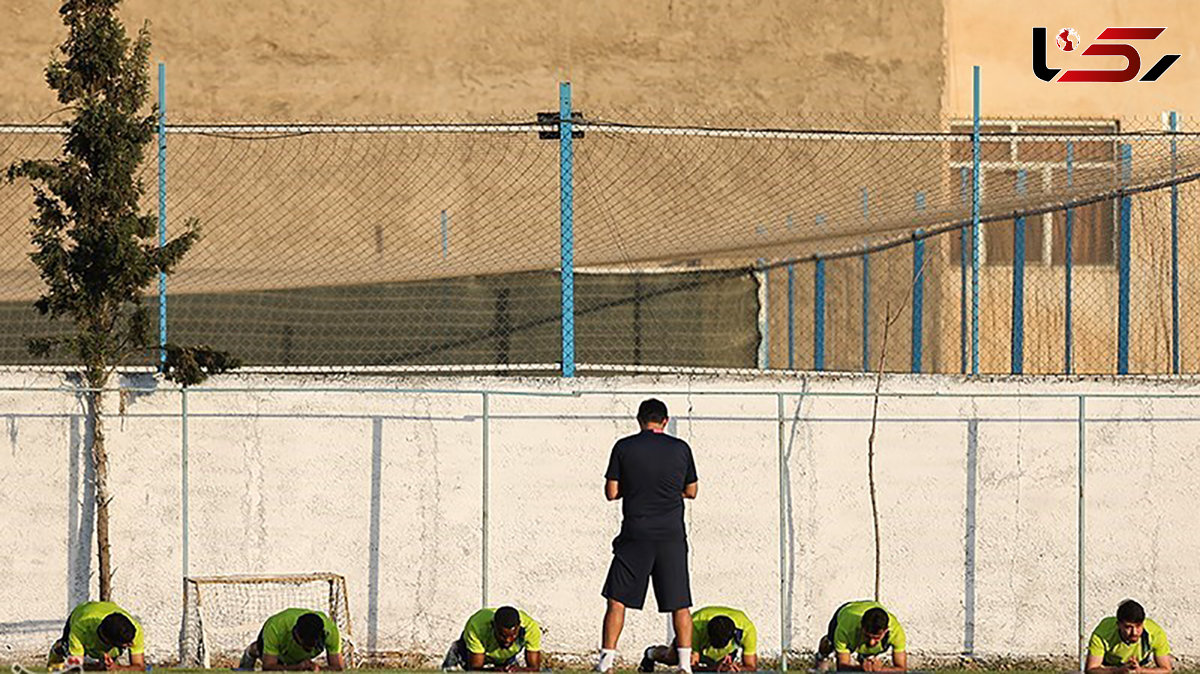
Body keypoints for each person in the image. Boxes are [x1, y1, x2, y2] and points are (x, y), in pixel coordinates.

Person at [597, 398, 699, 674]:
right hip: (671, 536)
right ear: (665, 421)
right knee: (680, 602)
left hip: (635, 534)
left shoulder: (624, 447)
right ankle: (684, 665)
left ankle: (606, 662)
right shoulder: (681, 449)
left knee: (617, 599)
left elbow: (611, 492)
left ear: (639, 420)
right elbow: (691, 491)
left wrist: (636, 489)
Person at [639, 606, 757, 672]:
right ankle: (651, 653)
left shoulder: (747, 630)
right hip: (697, 646)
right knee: (671, 658)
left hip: (719, 655)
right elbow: (690, 667)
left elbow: (751, 666)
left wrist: (738, 669)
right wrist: (715, 668)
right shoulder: (694, 627)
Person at [48, 601, 145, 671]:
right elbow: (76, 668)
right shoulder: (80, 629)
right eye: (126, 644)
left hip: (104, 615)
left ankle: (100, 663)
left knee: (105, 667)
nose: (132, 644)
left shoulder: (135, 631)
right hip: (81, 613)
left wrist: (118, 668)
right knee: (71, 664)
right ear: (108, 641)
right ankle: (58, 651)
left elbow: (139, 667)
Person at [237, 608, 344, 671]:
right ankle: (250, 653)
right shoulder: (275, 628)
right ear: (295, 633)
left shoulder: (331, 632)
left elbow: (338, 668)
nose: (308, 647)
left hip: (293, 655)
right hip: (279, 651)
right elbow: (268, 666)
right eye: (305, 644)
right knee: (258, 650)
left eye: (312, 645)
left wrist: (318, 669)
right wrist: (296, 667)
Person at [441, 606, 542, 671]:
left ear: (519, 626)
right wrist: (494, 671)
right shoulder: (477, 627)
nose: (508, 640)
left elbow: (534, 669)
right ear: (493, 626)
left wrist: (519, 670)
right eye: (503, 636)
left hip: (506, 657)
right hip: (469, 655)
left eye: (513, 636)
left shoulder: (531, 629)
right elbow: (475, 669)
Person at [815, 600, 907, 672]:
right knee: (830, 643)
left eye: (876, 638)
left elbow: (902, 669)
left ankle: (863, 657)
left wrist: (880, 670)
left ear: (886, 631)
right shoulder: (845, 628)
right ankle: (821, 656)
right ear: (861, 627)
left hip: (868, 613)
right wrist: (861, 669)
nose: (871, 642)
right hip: (846, 612)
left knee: (869, 650)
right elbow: (842, 668)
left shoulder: (896, 632)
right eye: (867, 636)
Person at [1085, 600, 1172, 674]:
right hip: (1109, 666)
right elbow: (1091, 669)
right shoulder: (1102, 633)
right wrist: (1118, 670)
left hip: (1140, 665)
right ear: (1118, 625)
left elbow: (1166, 669)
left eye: (1138, 626)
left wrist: (1140, 670)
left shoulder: (1155, 633)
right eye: (1128, 627)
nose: (1134, 632)